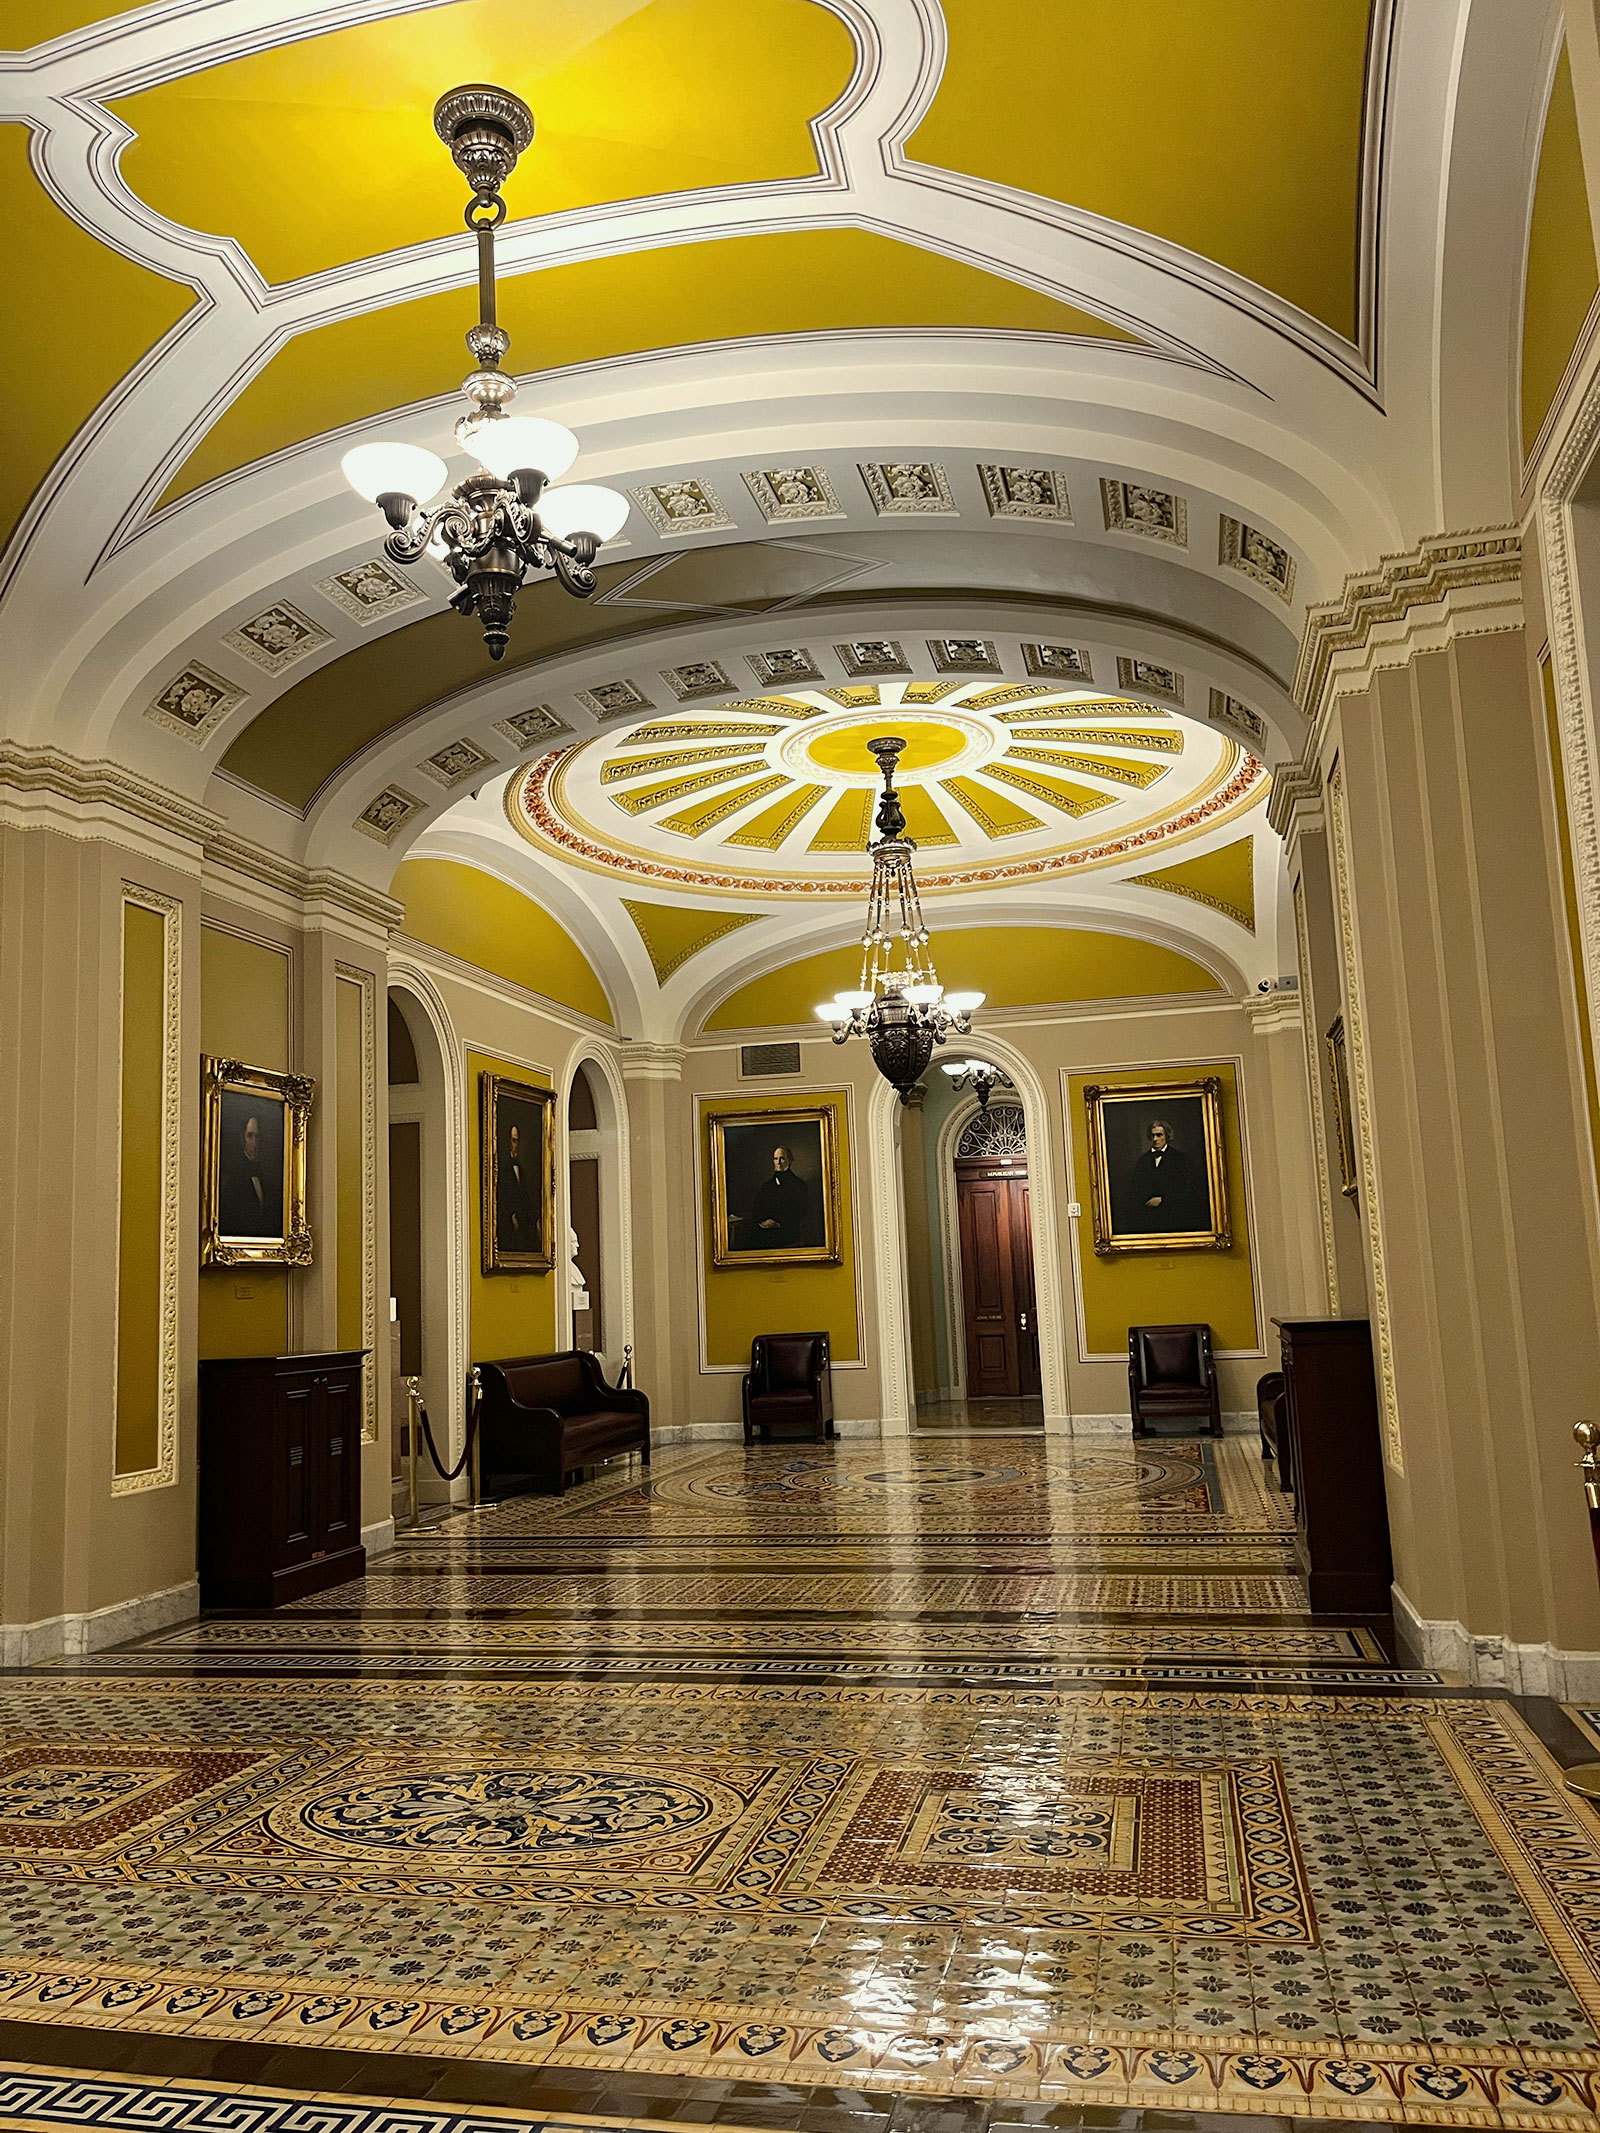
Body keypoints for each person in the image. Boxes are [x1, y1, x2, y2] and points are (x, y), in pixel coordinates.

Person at [1125, 1117, 1202, 1234]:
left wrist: (1164, 1200)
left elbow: (1188, 1190)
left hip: (1174, 1218)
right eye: (1152, 1135)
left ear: (1167, 1136)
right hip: (1148, 1220)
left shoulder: (1180, 1159)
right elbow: (1134, 1190)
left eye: (1159, 1135)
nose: (1155, 1139)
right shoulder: (1142, 1161)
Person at [219, 1110, 280, 1237]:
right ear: (242, 1138)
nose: (254, 1143)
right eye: (250, 1136)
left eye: (257, 1137)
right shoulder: (233, 1177)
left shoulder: (266, 1177)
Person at [745, 1142, 811, 1249]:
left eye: (782, 1158)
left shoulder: (799, 1185)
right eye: (776, 1159)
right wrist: (764, 1221)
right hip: (765, 1231)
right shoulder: (766, 1187)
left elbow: (800, 1213)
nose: (778, 1162)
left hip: (788, 1233)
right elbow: (757, 1210)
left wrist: (779, 1223)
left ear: (790, 1160)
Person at [497, 1120, 540, 1254]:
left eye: (516, 1141)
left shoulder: (523, 1171)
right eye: (512, 1140)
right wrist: (512, 1219)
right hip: (509, 1230)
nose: (513, 1145)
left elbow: (526, 1200)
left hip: (525, 1228)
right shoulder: (501, 1170)